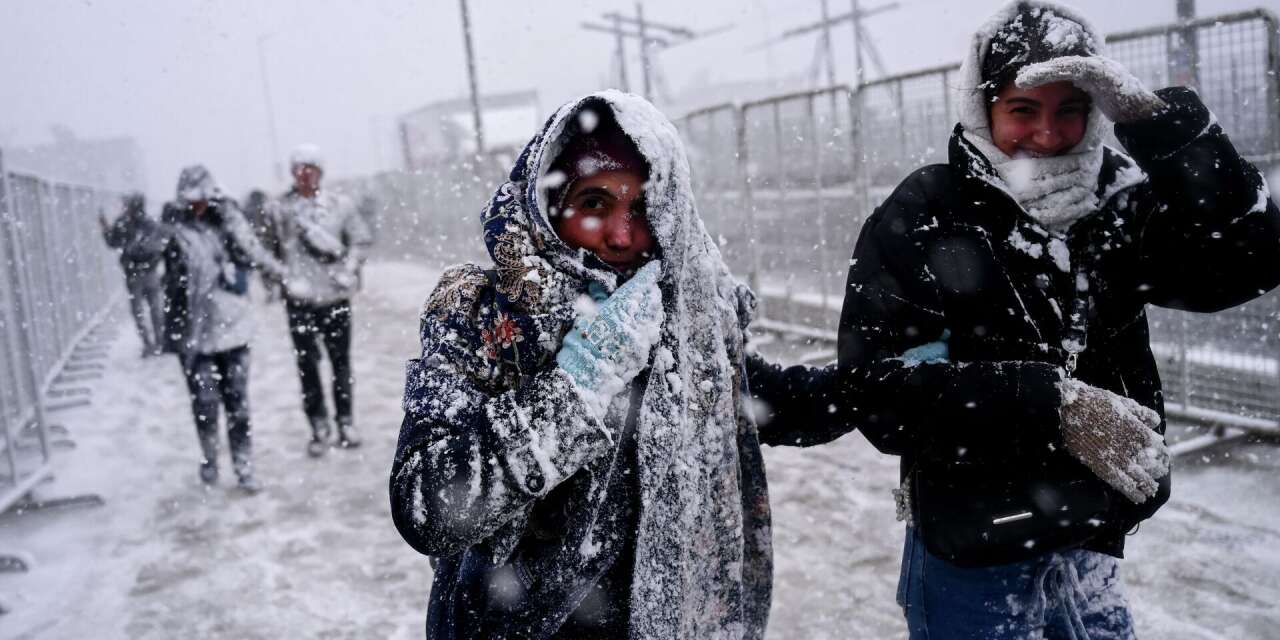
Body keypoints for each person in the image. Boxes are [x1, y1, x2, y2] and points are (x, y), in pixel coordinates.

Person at [837, 2, 1280, 637]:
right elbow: (876, 390)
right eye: (1023, 109)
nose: (1048, 134)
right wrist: (1051, 406)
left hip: (1090, 537)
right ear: (981, 105)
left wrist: (1162, 128)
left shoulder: (1116, 203)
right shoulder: (927, 210)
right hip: (973, 553)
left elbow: (1247, 262)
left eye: (1070, 109)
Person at [389, 91, 851, 639]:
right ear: (549, 202)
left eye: (642, 207)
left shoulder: (673, 310)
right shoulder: (477, 310)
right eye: (594, 204)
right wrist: (578, 384)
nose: (623, 235)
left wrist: (881, 381)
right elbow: (430, 504)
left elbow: (755, 399)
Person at [163, 165, 285, 492]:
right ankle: (210, 458)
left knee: (237, 405)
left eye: (202, 199)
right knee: (204, 404)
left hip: (233, 328)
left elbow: (254, 252)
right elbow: (168, 276)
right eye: (191, 200)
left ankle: (244, 466)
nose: (197, 206)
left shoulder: (228, 224)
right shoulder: (173, 230)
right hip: (195, 334)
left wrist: (282, 274)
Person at [267, 144, 373, 457]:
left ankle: (345, 421)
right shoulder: (280, 211)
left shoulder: (341, 205)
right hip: (299, 302)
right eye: (300, 168)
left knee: (341, 364)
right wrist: (284, 278)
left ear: (321, 172)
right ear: (292, 172)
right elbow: (268, 250)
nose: (305, 174)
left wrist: (349, 269)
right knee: (307, 367)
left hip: (335, 298)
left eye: (311, 167)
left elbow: (360, 240)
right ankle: (318, 426)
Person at [100, 192, 167, 357]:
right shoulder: (150, 224)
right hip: (150, 272)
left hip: (134, 274)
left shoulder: (124, 223)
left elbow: (112, 242)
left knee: (139, 312)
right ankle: (159, 342)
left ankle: (149, 344)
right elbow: (160, 245)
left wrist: (105, 227)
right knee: (155, 309)